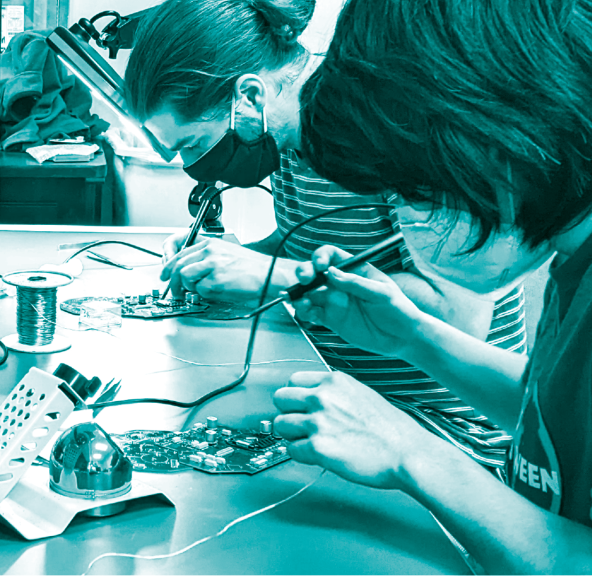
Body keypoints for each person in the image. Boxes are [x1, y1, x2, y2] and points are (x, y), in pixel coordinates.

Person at [123, 0, 526, 473]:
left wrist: (272, 274)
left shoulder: (401, 126)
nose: (192, 165)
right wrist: (232, 257)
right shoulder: (287, 138)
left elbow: (459, 314)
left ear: (248, 98)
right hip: (348, 398)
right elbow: (311, 243)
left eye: (192, 144)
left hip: (451, 429)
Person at [279, 0, 592, 571]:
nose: (405, 215)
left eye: (415, 187)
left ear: (494, 132)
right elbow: (562, 414)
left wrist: (412, 454)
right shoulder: (574, 247)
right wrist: (414, 338)